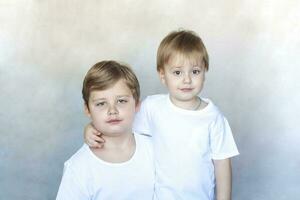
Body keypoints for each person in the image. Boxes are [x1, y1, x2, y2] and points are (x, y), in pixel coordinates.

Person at [85, 30, 239, 200]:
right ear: (162, 75)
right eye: (177, 72)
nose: (187, 80)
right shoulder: (153, 107)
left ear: (205, 71)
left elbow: (222, 165)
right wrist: (91, 127)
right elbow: (120, 122)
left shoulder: (213, 117)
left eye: (195, 71)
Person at [56, 61, 155, 200]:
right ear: (88, 110)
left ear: (137, 104)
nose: (112, 111)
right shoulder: (79, 168)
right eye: (101, 104)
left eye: (121, 101)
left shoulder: (154, 150)